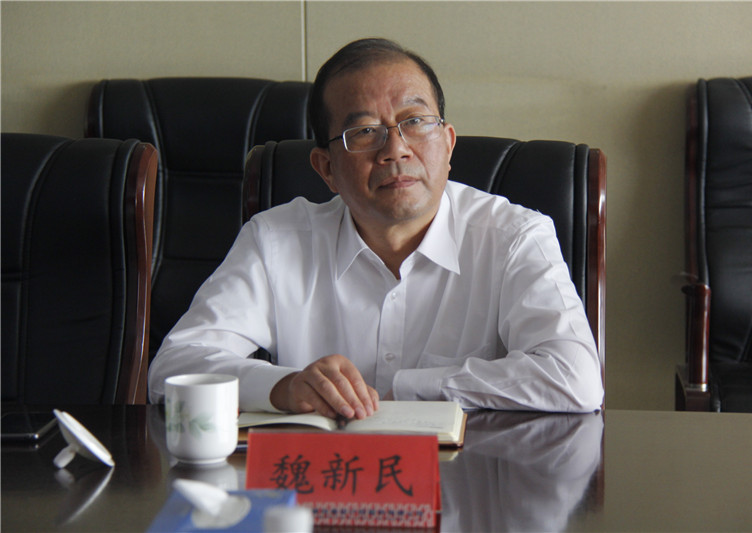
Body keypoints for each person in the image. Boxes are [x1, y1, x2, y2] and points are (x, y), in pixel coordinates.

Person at [148, 38, 604, 419]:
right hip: (323, 487)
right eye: (365, 132)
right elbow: (173, 369)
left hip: (467, 482)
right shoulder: (276, 241)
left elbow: (575, 378)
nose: (395, 149)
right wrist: (283, 388)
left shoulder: (514, 236)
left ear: (447, 145)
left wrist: (405, 389)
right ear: (326, 168)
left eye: (415, 122)